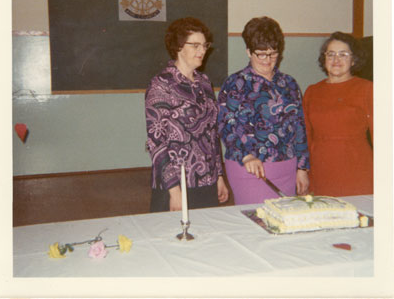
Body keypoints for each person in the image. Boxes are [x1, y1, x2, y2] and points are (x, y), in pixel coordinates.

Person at [217, 16, 310, 205]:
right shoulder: (235, 83)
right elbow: (225, 125)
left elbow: (299, 127)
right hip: (249, 167)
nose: (268, 60)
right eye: (261, 54)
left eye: (273, 53)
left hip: (287, 167)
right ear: (248, 52)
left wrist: (302, 168)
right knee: (256, 222)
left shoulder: (289, 84)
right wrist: (246, 155)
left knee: (285, 221)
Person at [145, 17, 229, 212]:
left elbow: (212, 134)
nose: (202, 51)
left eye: (204, 45)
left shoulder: (204, 82)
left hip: (206, 180)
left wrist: (219, 177)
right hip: (175, 183)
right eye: (195, 45)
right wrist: (174, 192)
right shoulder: (161, 85)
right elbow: (156, 142)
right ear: (178, 47)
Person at [303, 32, 373, 196]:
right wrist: (304, 171)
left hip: (357, 168)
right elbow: (305, 135)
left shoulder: (367, 89)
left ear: (353, 59)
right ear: (324, 58)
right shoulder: (312, 91)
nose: (336, 60)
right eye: (331, 54)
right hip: (321, 169)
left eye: (343, 54)